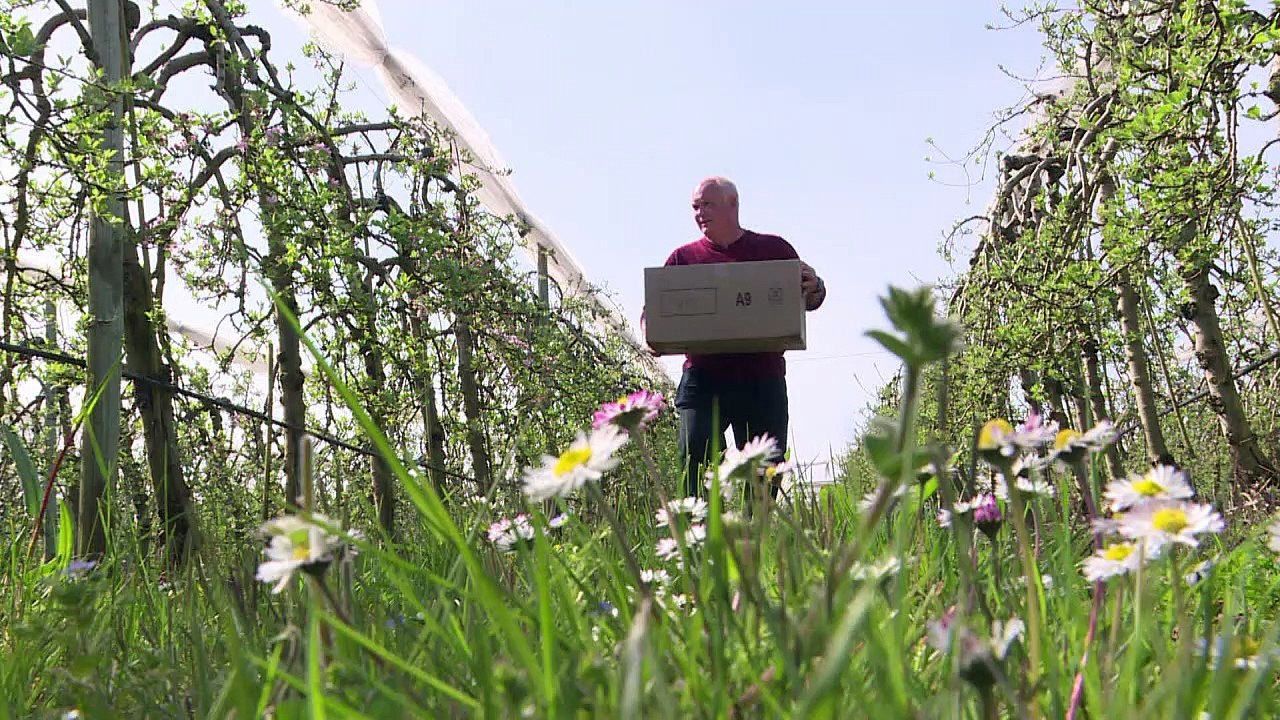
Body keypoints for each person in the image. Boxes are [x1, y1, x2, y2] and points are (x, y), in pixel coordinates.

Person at [651, 176, 827, 500]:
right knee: (693, 469)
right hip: (703, 382)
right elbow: (656, 319)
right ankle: (697, 544)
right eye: (695, 206)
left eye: (707, 204)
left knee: (764, 476)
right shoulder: (682, 260)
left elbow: (810, 299)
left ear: (732, 205)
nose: (700, 212)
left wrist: (814, 285)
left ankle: (753, 545)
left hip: (761, 380)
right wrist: (654, 326)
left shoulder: (774, 250)